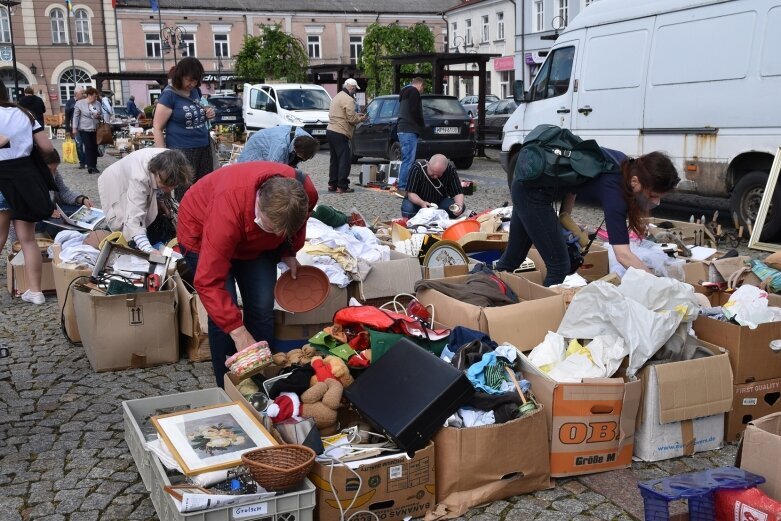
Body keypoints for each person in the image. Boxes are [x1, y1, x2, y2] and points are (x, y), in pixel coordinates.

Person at [177, 162, 318, 387]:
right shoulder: (227, 210)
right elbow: (209, 282)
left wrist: (289, 250)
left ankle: (260, 379)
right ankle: (228, 386)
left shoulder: (305, 191)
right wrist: (239, 332)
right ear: (259, 205)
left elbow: (300, 222)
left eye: (282, 232)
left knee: (262, 305)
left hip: (256, 243)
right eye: (271, 228)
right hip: (202, 231)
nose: (277, 233)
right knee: (224, 311)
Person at [494, 149, 681, 286]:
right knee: (560, 266)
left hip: (527, 178)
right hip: (532, 191)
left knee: (513, 257)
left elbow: (576, 175)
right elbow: (623, 255)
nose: (656, 202)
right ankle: (545, 316)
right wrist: (659, 284)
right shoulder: (615, 193)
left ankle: (483, 287)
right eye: (653, 195)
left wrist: (565, 216)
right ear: (635, 182)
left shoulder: (625, 163)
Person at [0, 78, 57, 305]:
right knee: (28, 239)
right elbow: (47, 148)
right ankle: (36, 291)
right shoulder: (25, 114)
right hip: (24, 177)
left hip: (1, 176)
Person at [98, 148, 193, 253]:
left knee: (152, 214)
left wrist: (161, 199)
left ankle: (149, 241)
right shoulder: (139, 177)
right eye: (165, 185)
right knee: (125, 219)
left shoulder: (174, 162)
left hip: (139, 174)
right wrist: (147, 250)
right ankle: (135, 245)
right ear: (155, 172)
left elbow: (163, 187)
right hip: (116, 182)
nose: (169, 189)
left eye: (173, 186)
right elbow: (135, 216)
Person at [153, 57, 216, 197]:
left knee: (204, 189)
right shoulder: (169, 96)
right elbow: (157, 127)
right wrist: (164, 156)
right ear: (180, 76)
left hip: (203, 146)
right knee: (184, 192)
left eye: (195, 80)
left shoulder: (195, 91)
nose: (192, 84)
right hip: (181, 151)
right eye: (189, 79)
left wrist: (207, 112)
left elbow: (198, 110)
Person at [38, 149, 93, 238]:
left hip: (54, 210)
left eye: (55, 169)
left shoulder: (55, 174)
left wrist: (81, 199)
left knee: (81, 210)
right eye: (49, 169)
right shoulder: (31, 178)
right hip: (39, 216)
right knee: (56, 223)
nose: (52, 173)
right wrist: (46, 211)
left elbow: (64, 192)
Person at [326, 78, 366, 193]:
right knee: (344, 160)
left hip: (330, 130)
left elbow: (342, 114)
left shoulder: (337, 96)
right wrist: (361, 118)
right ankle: (342, 185)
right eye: (354, 89)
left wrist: (355, 114)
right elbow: (352, 119)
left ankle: (332, 183)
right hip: (340, 132)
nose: (354, 91)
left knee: (334, 159)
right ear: (351, 87)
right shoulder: (349, 100)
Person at [401, 154, 465, 219]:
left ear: (445, 169)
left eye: (439, 175)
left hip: (439, 202)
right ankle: (421, 216)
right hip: (418, 202)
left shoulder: (450, 170)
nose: (435, 177)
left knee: (458, 206)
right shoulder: (417, 168)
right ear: (428, 164)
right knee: (408, 209)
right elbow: (411, 193)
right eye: (432, 173)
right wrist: (422, 203)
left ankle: (436, 216)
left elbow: (457, 192)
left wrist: (459, 206)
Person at [237, 125, 319, 166]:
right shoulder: (280, 145)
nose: (301, 160)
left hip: (275, 138)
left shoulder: (309, 140)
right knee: (256, 173)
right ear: (295, 149)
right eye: (300, 157)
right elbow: (273, 168)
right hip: (257, 144)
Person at [396, 77, 425, 191]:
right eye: (423, 88)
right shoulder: (414, 92)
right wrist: (421, 124)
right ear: (420, 85)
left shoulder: (404, 92)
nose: (422, 90)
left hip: (402, 128)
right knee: (408, 159)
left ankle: (405, 184)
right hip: (409, 129)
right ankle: (403, 186)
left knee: (407, 159)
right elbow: (415, 110)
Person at [72, 86, 103, 174]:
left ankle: (94, 165)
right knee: (88, 147)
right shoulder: (80, 103)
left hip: (95, 128)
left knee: (94, 147)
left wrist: (99, 116)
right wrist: (74, 128)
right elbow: (76, 116)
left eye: (96, 96)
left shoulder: (98, 103)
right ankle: (90, 166)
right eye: (94, 96)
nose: (95, 98)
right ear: (89, 95)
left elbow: (102, 115)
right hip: (84, 129)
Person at [65, 88, 87, 169]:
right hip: (76, 127)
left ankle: (88, 161)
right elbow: (67, 117)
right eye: (82, 92)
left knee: (87, 144)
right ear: (76, 94)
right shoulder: (70, 102)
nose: (84, 94)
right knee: (79, 145)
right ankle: (82, 162)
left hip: (86, 126)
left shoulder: (86, 101)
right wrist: (67, 130)